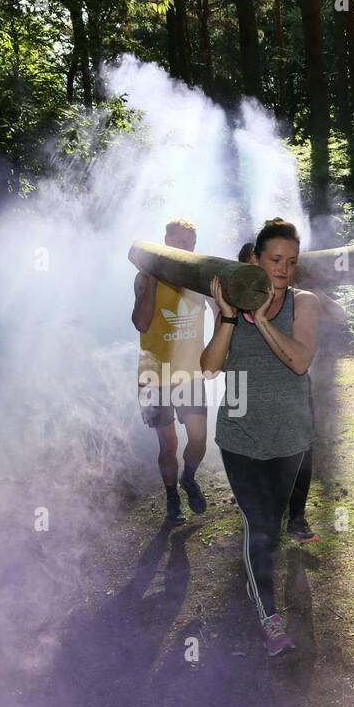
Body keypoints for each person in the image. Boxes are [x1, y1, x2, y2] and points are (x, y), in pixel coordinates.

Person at [202, 218, 319, 657]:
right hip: (240, 435)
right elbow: (210, 367)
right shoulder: (228, 304)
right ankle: (268, 617)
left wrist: (263, 320)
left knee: (271, 519)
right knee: (262, 526)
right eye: (274, 260)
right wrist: (231, 317)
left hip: (290, 435)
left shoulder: (304, 304)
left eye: (291, 262)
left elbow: (300, 361)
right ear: (253, 260)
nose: (283, 270)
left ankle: (257, 575)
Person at [234, 241, 348, 544]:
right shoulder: (237, 300)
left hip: (294, 386)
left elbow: (340, 315)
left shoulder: (298, 299)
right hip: (250, 388)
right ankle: (260, 517)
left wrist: (311, 289)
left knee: (302, 452)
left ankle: (296, 518)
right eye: (252, 265)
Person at [132, 219, 214, 525]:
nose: (184, 248)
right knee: (168, 444)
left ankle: (188, 478)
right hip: (153, 376)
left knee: (199, 438)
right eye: (178, 242)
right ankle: (172, 500)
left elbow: (222, 314)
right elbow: (141, 323)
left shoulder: (201, 278)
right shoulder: (144, 277)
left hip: (190, 374)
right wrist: (152, 281)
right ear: (165, 241)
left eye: (189, 244)